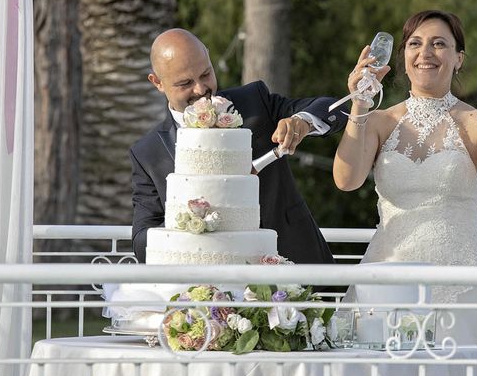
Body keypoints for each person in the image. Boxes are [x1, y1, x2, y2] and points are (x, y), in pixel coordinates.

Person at [333, 10, 477, 376]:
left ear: (458, 58)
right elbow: (346, 180)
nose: (425, 53)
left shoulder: (476, 122)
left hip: (465, 281)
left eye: (439, 44)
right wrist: (359, 105)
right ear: (402, 56)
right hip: (389, 279)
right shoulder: (381, 121)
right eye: (415, 44)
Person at [131, 28, 347, 265]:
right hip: (207, 291)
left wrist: (302, 122)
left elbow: (334, 108)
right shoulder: (147, 153)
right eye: (185, 83)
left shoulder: (254, 102)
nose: (201, 89)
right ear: (157, 83)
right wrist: (187, 219)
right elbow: (142, 241)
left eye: (206, 74)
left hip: (296, 265)